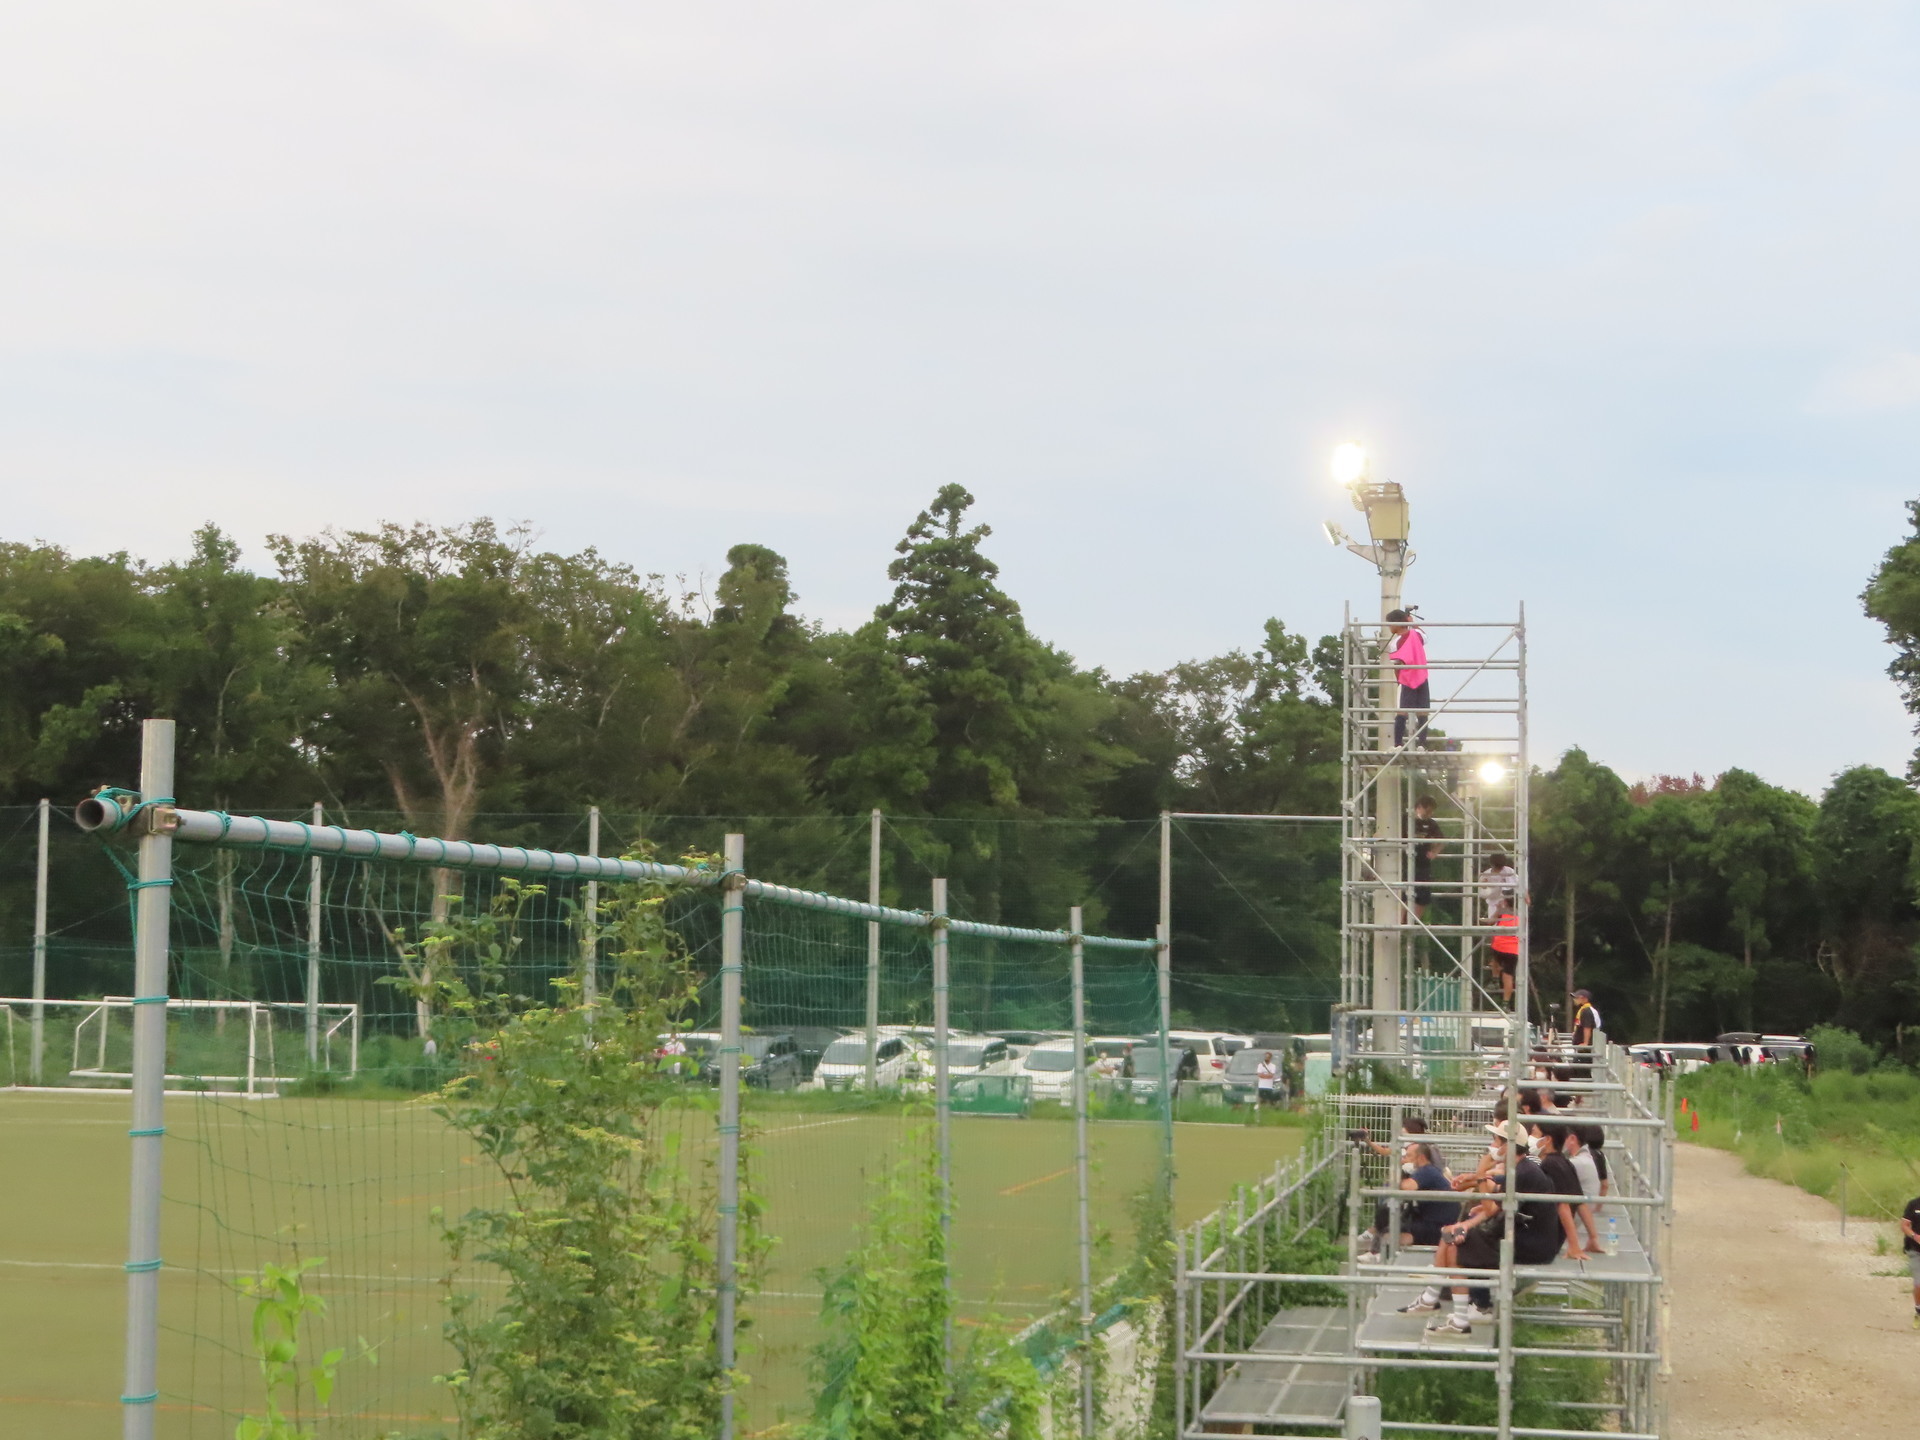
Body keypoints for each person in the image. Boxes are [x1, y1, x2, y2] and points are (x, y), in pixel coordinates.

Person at [1400, 1120, 1585, 1335]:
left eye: (1496, 1140)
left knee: (1455, 1243)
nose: (1493, 1145)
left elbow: (1490, 1206)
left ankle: (1466, 1310)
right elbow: (1494, 1200)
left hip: (1532, 1245)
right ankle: (1434, 1301)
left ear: (1508, 1145)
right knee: (1450, 1234)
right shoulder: (1522, 1168)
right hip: (1524, 1238)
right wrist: (1465, 1222)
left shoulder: (1524, 1172)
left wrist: (1481, 1170)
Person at [1361, 1139, 1458, 1257]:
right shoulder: (1428, 1170)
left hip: (1438, 1226)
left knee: (1395, 1229)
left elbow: (1408, 1187)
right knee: (1390, 1219)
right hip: (1433, 1221)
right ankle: (1377, 1253)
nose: (1404, 1159)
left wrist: (1396, 1175)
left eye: (1409, 1156)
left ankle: (1379, 1255)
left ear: (1421, 1158)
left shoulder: (1427, 1171)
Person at [1536, 1122, 1604, 1254]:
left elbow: (1563, 1204)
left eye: (1536, 1134)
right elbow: (1579, 1201)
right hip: (1556, 1234)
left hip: (1546, 1235)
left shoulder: (1549, 1164)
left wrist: (1574, 1246)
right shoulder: (1564, 1162)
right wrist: (1593, 1237)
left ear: (1548, 1139)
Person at [1386, 607, 1429, 749]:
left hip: (1406, 678)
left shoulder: (1394, 643)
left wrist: (1398, 681)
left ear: (1396, 623)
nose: (1389, 627)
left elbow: (1397, 666)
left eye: (1390, 624)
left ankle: (1398, 743)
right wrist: (1412, 622)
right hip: (1421, 676)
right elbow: (1425, 636)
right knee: (1422, 711)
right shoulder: (1416, 633)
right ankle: (1422, 744)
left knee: (1402, 711)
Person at [1411, 796, 1442, 923]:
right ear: (1419, 807)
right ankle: (1401, 920)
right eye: (1428, 811)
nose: (1430, 814)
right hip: (1403, 862)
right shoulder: (1403, 819)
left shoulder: (1431, 823)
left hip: (1423, 863)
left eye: (1431, 812)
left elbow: (1441, 840)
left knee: (1423, 895)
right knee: (1402, 893)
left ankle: (1413, 921)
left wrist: (1435, 852)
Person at [1902, 1192, 1920, 1329]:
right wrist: (1915, 1236)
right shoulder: (1913, 1204)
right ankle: (1918, 1311)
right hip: (1915, 1250)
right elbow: (1904, 1225)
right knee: (1919, 1283)